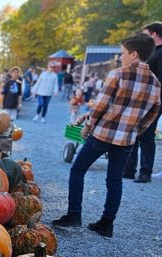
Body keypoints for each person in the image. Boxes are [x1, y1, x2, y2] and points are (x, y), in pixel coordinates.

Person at [52, 33, 160, 237]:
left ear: (134, 54)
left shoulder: (118, 74)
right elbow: (152, 115)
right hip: (127, 139)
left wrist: (88, 126)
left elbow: (101, 105)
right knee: (114, 180)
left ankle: (74, 214)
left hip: (103, 134)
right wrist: (136, 131)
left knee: (77, 170)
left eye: (123, 53)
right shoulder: (155, 83)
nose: (121, 57)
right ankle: (106, 223)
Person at [124, 21, 162, 183]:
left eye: (145, 33)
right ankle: (129, 170)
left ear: (154, 35)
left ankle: (145, 173)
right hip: (144, 98)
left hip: (155, 99)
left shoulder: (160, 53)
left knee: (146, 134)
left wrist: (153, 96)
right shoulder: (151, 52)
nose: (143, 36)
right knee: (134, 130)